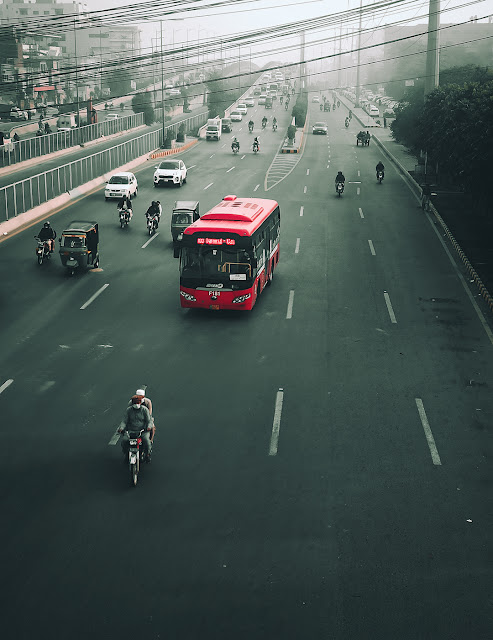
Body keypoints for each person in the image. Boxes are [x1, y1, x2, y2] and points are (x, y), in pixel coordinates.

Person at [119, 395, 153, 461]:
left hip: (142, 431)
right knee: (124, 441)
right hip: (130, 431)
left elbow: (149, 421)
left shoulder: (144, 410)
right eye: (135, 403)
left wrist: (149, 427)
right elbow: (124, 421)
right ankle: (126, 454)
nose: (136, 404)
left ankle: (147, 454)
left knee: (146, 441)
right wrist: (121, 428)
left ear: (140, 402)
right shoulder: (128, 410)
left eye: (138, 403)